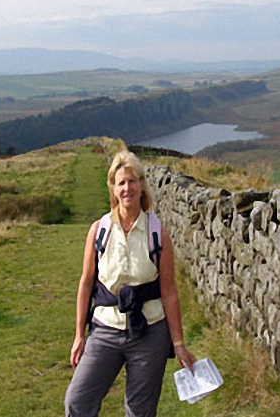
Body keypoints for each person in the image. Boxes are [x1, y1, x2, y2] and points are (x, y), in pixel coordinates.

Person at [65, 150, 196, 417]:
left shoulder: (157, 232)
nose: (127, 188)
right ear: (113, 189)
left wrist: (179, 343)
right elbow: (86, 283)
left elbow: (169, 291)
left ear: (142, 185)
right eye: (121, 182)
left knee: (140, 412)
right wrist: (80, 335)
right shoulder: (99, 230)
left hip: (150, 332)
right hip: (105, 330)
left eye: (133, 181)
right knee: (77, 401)